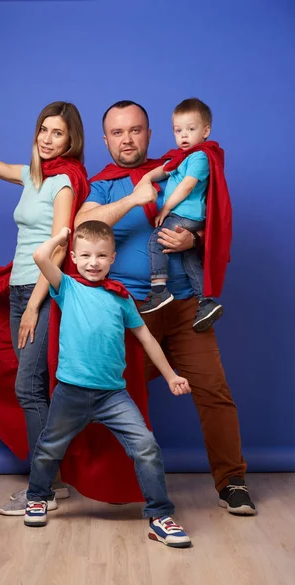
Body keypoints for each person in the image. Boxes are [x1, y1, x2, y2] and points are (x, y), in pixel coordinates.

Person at [75, 100, 256, 516]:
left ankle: (233, 483)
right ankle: (113, 483)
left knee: (214, 390)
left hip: (186, 306)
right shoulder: (101, 184)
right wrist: (136, 196)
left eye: (135, 130)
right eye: (118, 133)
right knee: (109, 397)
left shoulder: (178, 164)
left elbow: (213, 215)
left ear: (149, 133)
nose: (127, 139)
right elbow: (85, 224)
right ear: (105, 140)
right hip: (133, 312)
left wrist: (195, 240)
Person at [0, 101, 89, 516]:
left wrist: (35, 306)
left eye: (57, 133)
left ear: (71, 139)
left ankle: (40, 490)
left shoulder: (64, 182)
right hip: (18, 289)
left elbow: (59, 248)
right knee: (33, 386)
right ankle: (52, 484)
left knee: (28, 387)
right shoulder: (32, 176)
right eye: (43, 130)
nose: (47, 139)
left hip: (43, 291)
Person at [24, 220, 192, 549]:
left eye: (101, 256)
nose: (93, 262)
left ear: (112, 259)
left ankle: (160, 516)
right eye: (85, 255)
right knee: (49, 449)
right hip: (70, 392)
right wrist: (60, 237)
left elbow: (147, 340)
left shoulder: (121, 299)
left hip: (112, 395)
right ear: (72, 257)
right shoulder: (66, 288)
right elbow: (40, 256)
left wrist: (171, 375)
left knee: (145, 446)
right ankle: (37, 496)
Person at [138, 98, 227, 334]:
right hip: (187, 217)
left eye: (191, 129)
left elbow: (187, 186)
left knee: (156, 241)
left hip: (186, 215)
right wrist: (147, 178)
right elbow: (164, 169)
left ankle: (159, 290)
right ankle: (206, 302)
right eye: (178, 130)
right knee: (189, 260)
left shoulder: (200, 157)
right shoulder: (182, 156)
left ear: (205, 131)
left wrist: (165, 208)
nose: (184, 135)